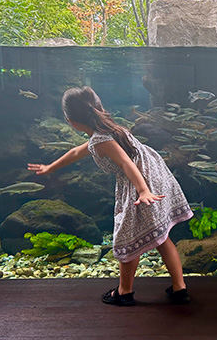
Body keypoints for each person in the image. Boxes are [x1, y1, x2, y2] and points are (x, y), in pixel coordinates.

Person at [28, 86, 194, 307]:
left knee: (128, 240)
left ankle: (124, 292)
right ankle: (179, 289)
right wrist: (51, 167)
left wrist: (143, 190)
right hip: (155, 176)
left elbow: (126, 163)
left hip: (140, 185)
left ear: (71, 122)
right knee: (162, 238)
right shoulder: (110, 128)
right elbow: (77, 151)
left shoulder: (101, 140)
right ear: (100, 108)